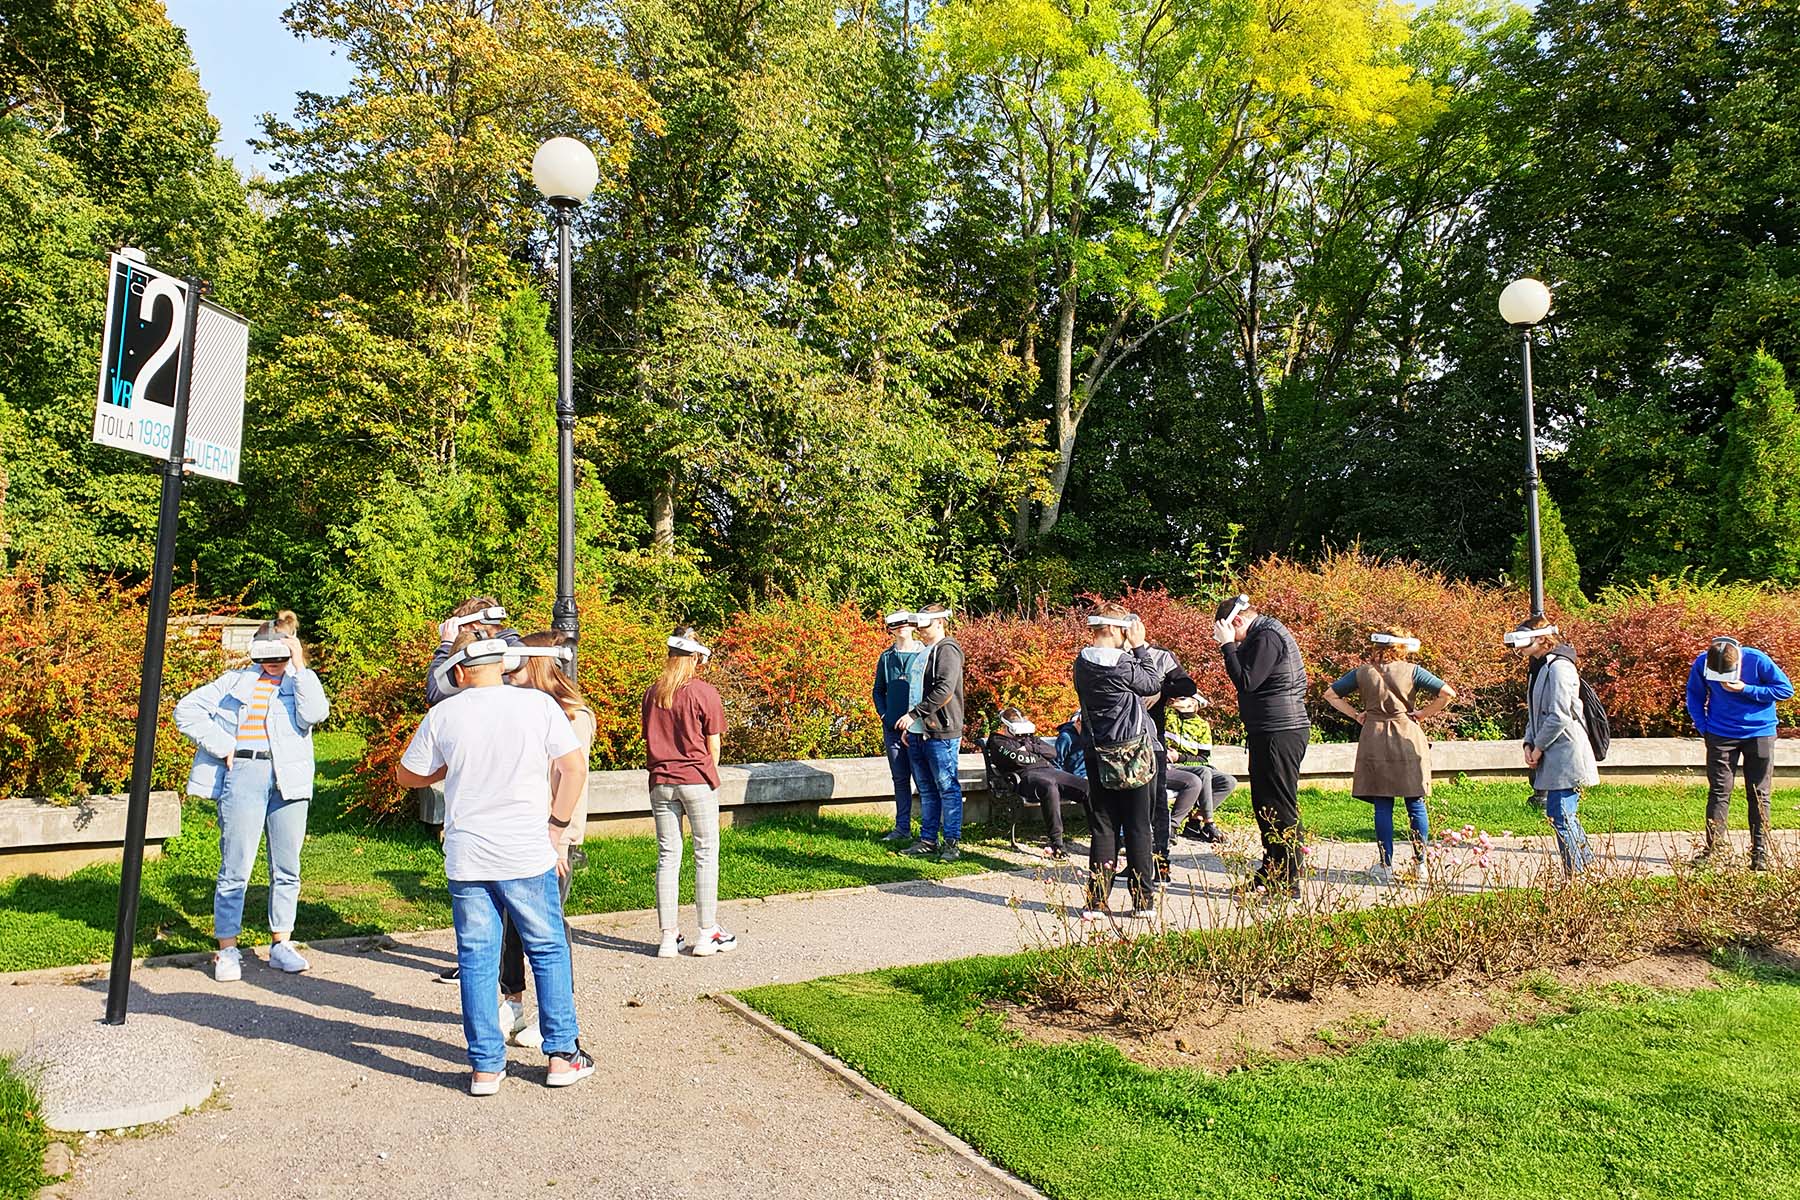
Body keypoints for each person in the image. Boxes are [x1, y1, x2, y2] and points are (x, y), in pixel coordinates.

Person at [394, 633, 594, 1094]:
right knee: (546, 948)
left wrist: (446, 768)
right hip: (525, 851)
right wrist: (557, 825)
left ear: (461, 672)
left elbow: (406, 774)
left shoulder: (443, 714)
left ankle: (486, 1066)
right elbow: (574, 768)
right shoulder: (538, 707)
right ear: (501, 665)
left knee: (477, 958)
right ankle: (562, 1055)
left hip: (468, 857)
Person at [175, 619, 330, 982]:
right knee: (236, 865)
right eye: (268, 653)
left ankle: (281, 943)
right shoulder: (236, 681)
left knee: (287, 866)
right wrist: (224, 745)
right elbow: (186, 711)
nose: (274, 661)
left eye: (281, 652)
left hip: (289, 778)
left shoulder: (298, 681)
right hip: (245, 773)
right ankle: (227, 948)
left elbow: (315, 714)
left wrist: (299, 663)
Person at [497, 632, 595, 1048]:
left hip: (554, 836)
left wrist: (557, 839)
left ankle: (554, 1011)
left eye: (515, 669)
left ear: (534, 666)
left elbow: (570, 777)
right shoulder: (519, 711)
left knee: (548, 927)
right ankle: (513, 1002)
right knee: (511, 924)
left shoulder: (572, 716)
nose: (508, 677)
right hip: (519, 834)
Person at [1322, 627, 1457, 882]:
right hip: (1407, 735)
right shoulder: (1413, 671)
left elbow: (1330, 694)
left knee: (1383, 803)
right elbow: (1447, 694)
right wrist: (1422, 714)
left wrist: (1356, 714)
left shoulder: (1363, 673)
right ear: (1401, 647)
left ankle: (1385, 865)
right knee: (1415, 803)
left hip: (1374, 737)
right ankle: (1421, 864)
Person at [643, 626, 736, 958]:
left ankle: (668, 937)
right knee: (705, 853)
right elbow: (714, 744)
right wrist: (710, 775)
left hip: (661, 781)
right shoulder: (703, 692)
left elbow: (650, 737)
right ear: (696, 657)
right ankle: (706, 932)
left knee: (668, 856)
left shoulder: (653, 693)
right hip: (695, 778)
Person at [1213, 594, 1310, 897]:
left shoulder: (1266, 636)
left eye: (1229, 630)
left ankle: (1286, 883)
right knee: (1267, 805)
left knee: (1278, 805)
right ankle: (1271, 873)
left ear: (1237, 621)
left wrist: (1226, 646)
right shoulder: (1264, 634)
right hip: (1271, 729)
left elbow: (1247, 681)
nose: (1233, 640)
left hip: (1279, 730)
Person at [1073, 605, 1166, 917]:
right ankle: (1144, 902)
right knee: (1139, 826)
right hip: (1133, 753)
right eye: (1126, 630)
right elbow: (1152, 683)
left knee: (1103, 826)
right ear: (1114, 630)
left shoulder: (1081, 662)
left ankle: (1097, 902)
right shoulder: (1125, 661)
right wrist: (1140, 646)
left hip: (1096, 752)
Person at [1686, 635, 1792, 870]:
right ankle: (1713, 851)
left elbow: (1785, 690)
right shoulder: (1703, 662)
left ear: (1738, 662)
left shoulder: (1757, 659)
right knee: (1719, 792)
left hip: (1760, 734)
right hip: (1720, 735)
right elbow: (1694, 695)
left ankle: (1760, 853)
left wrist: (1747, 689)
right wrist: (1704, 728)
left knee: (1759, 793)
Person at [1508, 617, 1597, 876]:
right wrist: (1528, 742)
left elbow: (1558, 715)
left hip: (1565, 752)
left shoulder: (1559, 667)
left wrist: (1538, 748)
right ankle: (1587, 867)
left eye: (1522, 640)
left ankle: (1576, 875)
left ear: (1541, 638)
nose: (1518, 648)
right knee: (1563, 814)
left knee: (1560, 813)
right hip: (1552, 751)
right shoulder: (1540, 667)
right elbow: (1536, 713)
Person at [896, 604, 967, 862]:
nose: (919, 629)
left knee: (947, 787)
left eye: (924, 624)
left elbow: (944, 689)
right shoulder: (925, 652)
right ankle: (928, 840)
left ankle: (951, 843)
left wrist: (914, 716)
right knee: (926, 789)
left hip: (941, 733)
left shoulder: (947, 649)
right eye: (918, 624)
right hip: (919, 734)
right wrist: (912, 727)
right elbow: (916, 690)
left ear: (939, 622)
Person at [986, 707, 1087, 859]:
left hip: (1050, 771)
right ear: (1007, 727)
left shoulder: (1029, 738)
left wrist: (1029, 748)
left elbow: (1052, 753)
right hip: (1025, 776)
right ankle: (1057, 844)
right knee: (1049, 787)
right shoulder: (997, 741)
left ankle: (1104, 838)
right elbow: (1018, 759)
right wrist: (1037, 755)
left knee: (1087, 788)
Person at [1139, 642, 1200, 881]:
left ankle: (1161, 864)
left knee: (1158, 801)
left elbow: (1188, 685)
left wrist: (1160, 689)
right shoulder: (1112, 654)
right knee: (1134, 805)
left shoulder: (1159, 655)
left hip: (1153, 739)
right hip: (1120, 740)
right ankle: (1137, 861)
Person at [871, 610, 927, 844]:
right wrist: (886, 716)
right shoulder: (886, 658)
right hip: (892, 729)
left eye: (906, 623)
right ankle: (902, 827)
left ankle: (929, 831)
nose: (902, 628)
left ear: (913, 626)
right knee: (900, 779)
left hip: (917, 729)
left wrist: (914, 720)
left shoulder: (924, 654)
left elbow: (930, 692)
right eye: (897, 625)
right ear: (891, 629)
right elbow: (878, 691)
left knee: (924, 780)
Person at [426, 596, 524, 705]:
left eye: (460, 629)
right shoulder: (523, 652)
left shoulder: (485, 656)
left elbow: (435, 693)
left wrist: (447, 645)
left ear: (474, 628)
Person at [1163, 695, 1234, 844]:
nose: (1176, 699)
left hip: (1189, 765)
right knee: (1204, 772)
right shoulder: (1168, 716)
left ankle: (1196, 820)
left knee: (1228, 781)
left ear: (1193, 704)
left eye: (1182, 698)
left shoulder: (1202, 726)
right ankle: (1208, 823)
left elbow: (1203, 759)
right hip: (1173, 767)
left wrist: (1180, 757)